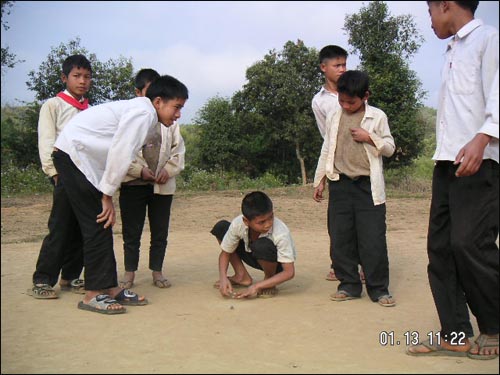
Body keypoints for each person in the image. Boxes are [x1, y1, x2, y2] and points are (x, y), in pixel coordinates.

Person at [52, 74, 189, 314]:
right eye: (176, 107)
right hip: (72, 155)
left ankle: (109, 287)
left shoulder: (144, 111)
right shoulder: (144, 113)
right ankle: (94, 294)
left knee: (102, 223)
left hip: (81, 158)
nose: (178, 114)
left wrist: (105, 192)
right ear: (158, 101)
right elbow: (121, 151)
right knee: (98, 222)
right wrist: (107, 195)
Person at [407, 1, 499, 359]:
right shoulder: (451, 51)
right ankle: (455, 332)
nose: (429, 21)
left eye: (430, 11)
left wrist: (481, 139)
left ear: (445, 5)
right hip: (446, 162)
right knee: (441, 248)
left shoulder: (488, 39)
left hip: (481, 160)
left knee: (470, 244)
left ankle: (494, 326)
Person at [313, 70, 396, 307]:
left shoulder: (377, 117)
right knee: (341, 239)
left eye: (351, 101)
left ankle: (379, 290)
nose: (346, 105)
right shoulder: (334, 116)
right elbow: (327, 149)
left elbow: (389, 147)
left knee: (373, 240)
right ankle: (348, 285)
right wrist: (320, 180)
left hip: (367, 187)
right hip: (339, 185)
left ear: (366, 96)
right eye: (342, 100)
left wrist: (369, 137)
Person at [29, 54, 92, 299]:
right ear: (65, 78)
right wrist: (53, 173)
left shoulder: (89, 109)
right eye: (77, 76)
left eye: (87, 77)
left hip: (85, 176)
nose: (82, 81)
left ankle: (71, 276)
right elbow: (46, 140)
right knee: (60, 227)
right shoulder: (53, 105)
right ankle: (43, 280)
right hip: (63, 174)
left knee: (81, 227)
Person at [119, 69, 185, 289]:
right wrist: (139, 171)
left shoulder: (172, 123)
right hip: (133, 185)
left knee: (160, 231)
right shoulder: (130, 118)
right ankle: (129, 273)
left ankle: (157, 271)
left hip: (162, 187)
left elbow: (178, 152)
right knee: (132, 231)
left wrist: (168, 169)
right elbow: (122, 151)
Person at [311, 45, 365, 283]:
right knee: (339, 221)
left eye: (345, 64)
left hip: (361, 162)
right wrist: (321, 176)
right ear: (324, 68)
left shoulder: (356, 88)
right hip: (337, 165)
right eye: (337, 65)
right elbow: (327, 139)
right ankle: (340, 266)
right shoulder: (319, 101)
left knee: (362, 219)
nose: (342, 69)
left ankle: (365, 265)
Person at [211, 191, 296, 299]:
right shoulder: (238, 224)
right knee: (221, 227)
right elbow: (225, 253)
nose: (268, 224)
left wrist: (256, 286)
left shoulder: (281, 232)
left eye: (271, 217)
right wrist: (223, 278)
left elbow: (289, 272)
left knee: (262, 245)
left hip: (275, 262)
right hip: (252, 253)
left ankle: (269, 279)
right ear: (246, 221)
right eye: (261, 222)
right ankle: (241, 276)